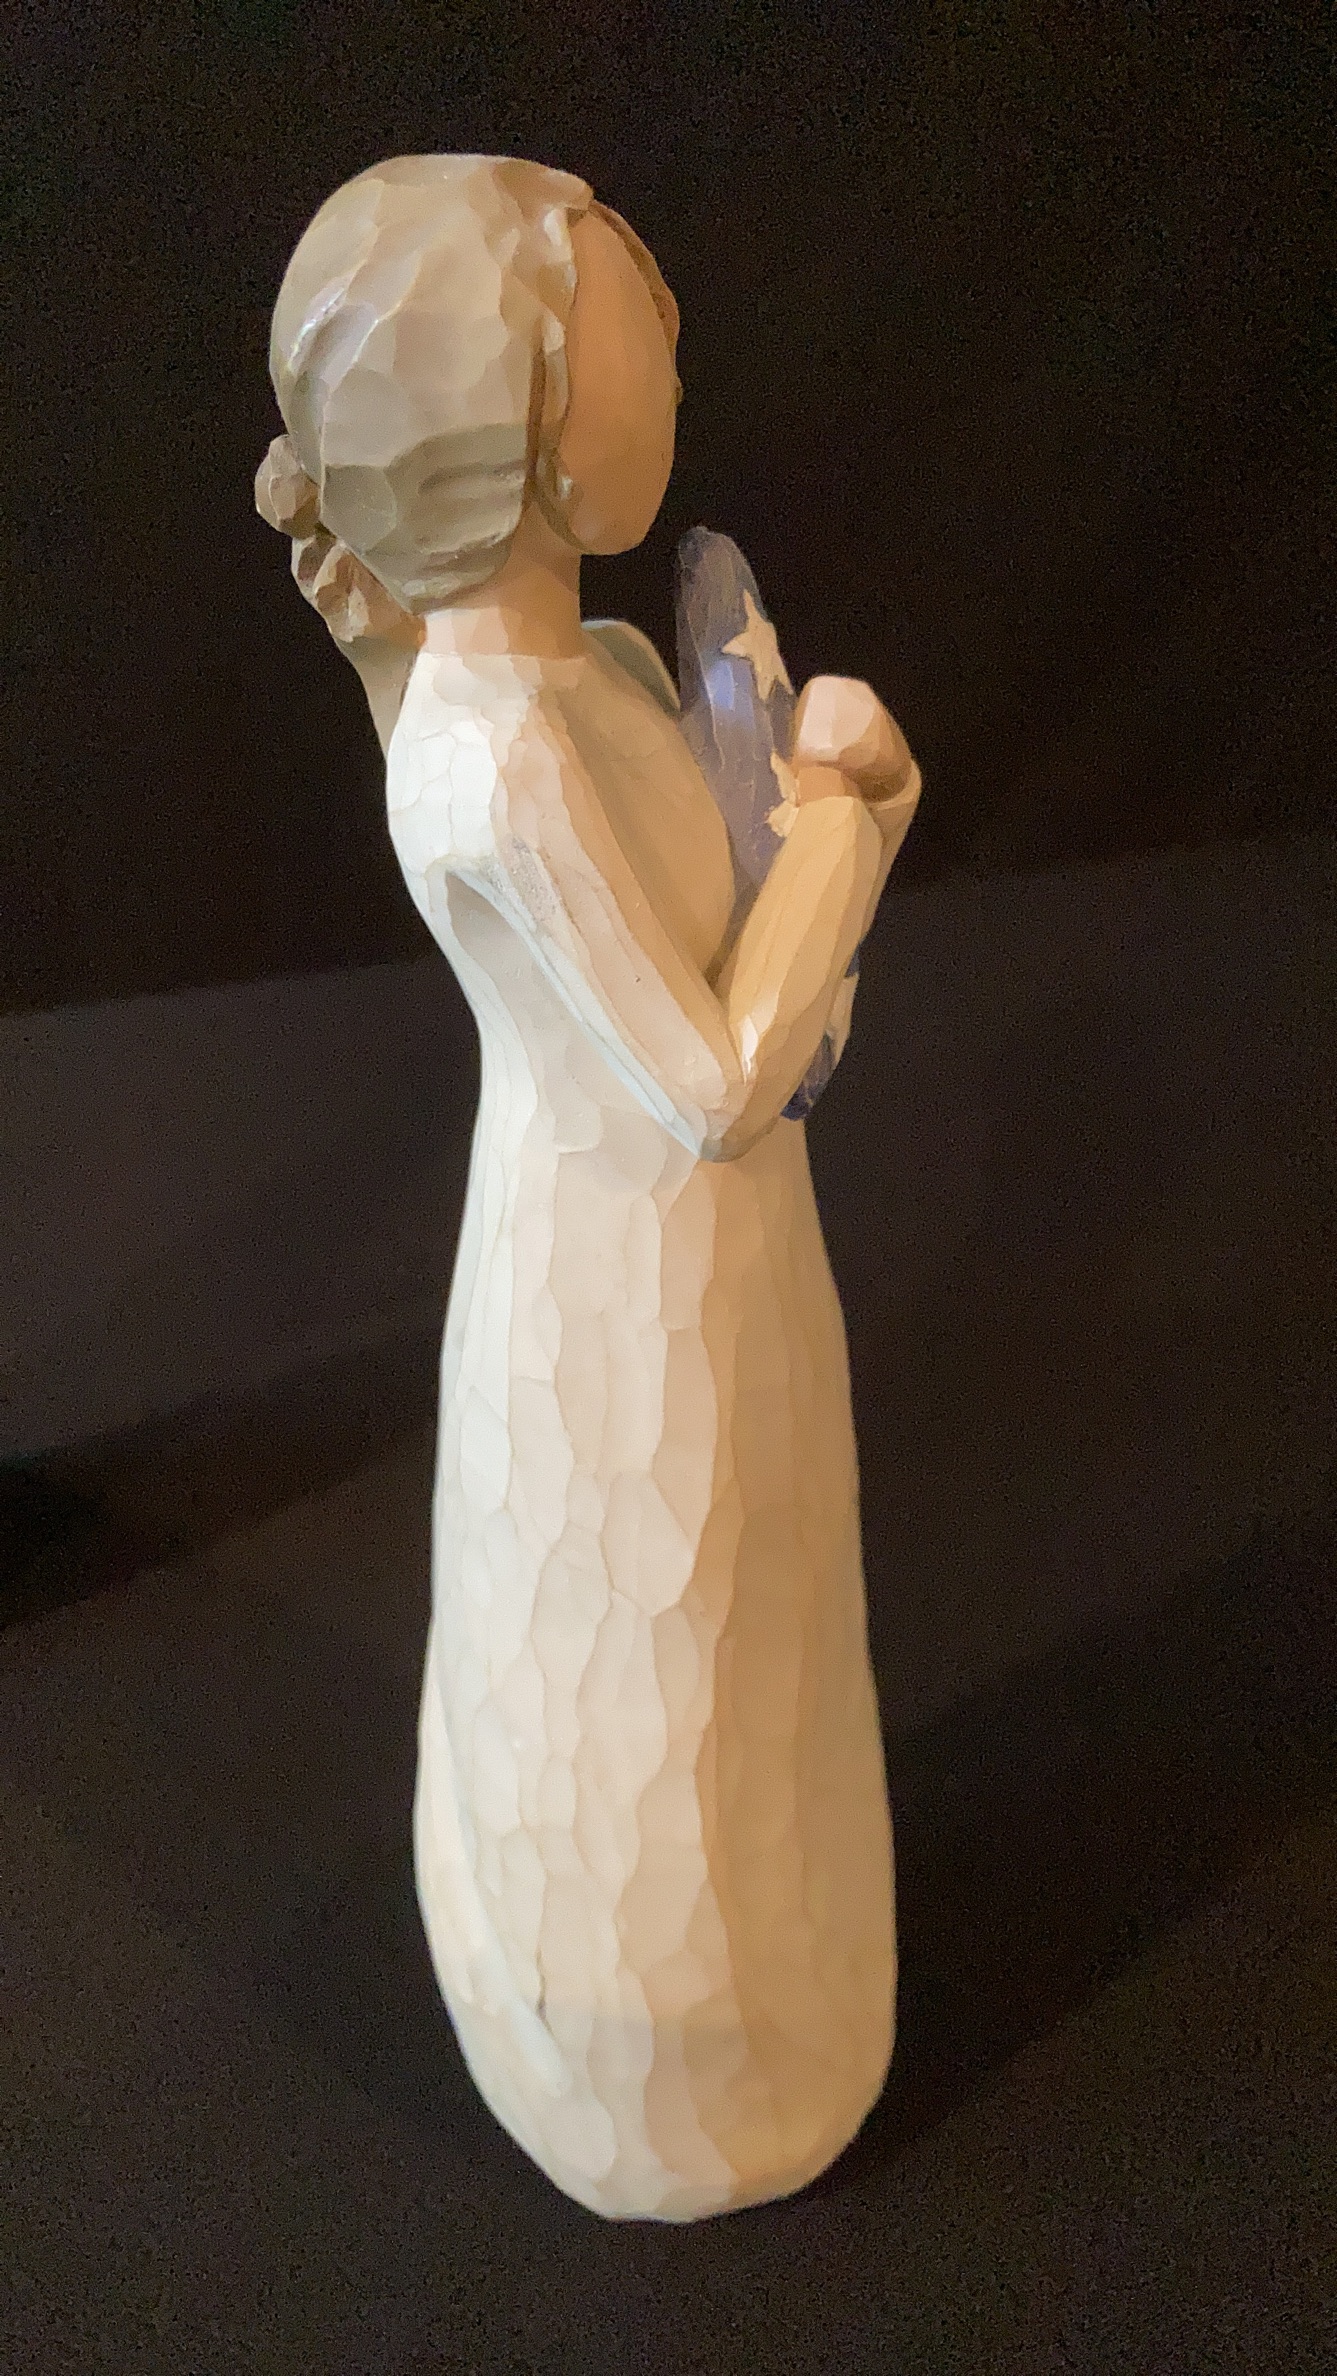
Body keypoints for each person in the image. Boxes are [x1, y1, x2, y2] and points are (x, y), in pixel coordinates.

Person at [258, 153, 921, 2221]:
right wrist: (851, 824)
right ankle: (659, 2056)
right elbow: (711, 1081)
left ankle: (768, 2023)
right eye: (638, 333)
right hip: (624, 1304)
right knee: (654, 1684)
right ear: (526, 413)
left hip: (723, 1287)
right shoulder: (499, 759)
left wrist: (803, 799)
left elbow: (739, 963)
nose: (676, 366)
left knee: (751, 1658)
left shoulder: (594, 681)